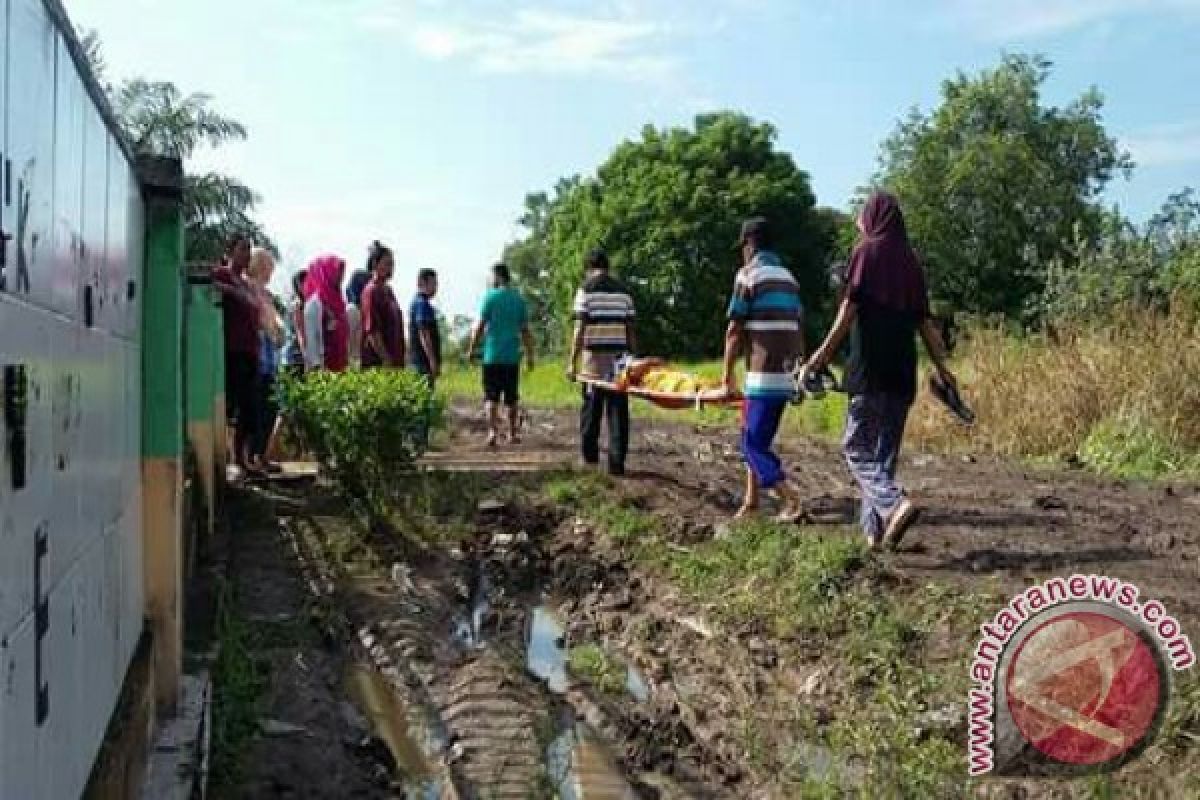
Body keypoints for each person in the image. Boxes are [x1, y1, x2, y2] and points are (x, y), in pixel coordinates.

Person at [804, 191, 958, 551]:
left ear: (874, 218)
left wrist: (820, 357)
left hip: (869, 371)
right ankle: (874, 535)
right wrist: (943, 369)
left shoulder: (866, 252)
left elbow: (847, 312)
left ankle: (894, 504)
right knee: (883, 455)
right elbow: (926, 325)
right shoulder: (912, 263)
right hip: (902, 374)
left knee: (855, 447)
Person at [721, 217, 806, 520]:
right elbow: (799, 325)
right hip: (789, 372)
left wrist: (727, 374)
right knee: (754, 434)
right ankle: (751, 501)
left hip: (762, 374)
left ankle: (790, 499)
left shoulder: (748, 275)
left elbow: (734, 328)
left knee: (750, 444)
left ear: (748, 245)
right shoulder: (789, 278)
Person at [566, 249, 636, 476]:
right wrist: (634, 358)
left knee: (591, 411)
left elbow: (579, 330)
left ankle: (590, 459)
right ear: (608, 267)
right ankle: (617, 463)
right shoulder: (624, 292)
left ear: (589, 268)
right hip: (619, 361)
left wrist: (572, 362)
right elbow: (631, 330)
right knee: (618, 412)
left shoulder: (585, 291)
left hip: (593, 362)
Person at [466, 262, 535, 446]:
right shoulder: (518, 300)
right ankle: (512, 434)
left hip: (491, 356)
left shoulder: (490, 298)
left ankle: (492, 433)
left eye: (492, 276)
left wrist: (471, 349)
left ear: (497, 276)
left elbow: (479, 327)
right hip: (511, 357)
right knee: (512, 398)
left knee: (491, 397)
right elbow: (525, 331)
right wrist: (530, 355)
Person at [211, 233, 263, 480]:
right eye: (242, 249)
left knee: (250, 409)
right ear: (230, 251)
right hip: (234, 352)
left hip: (251, 351)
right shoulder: (223, 275)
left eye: (249, 250)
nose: (247, 254)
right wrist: (231, 290)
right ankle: (232, 459)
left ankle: (243, 457)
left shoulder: (248, 283)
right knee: (236, 406)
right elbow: (210, 286)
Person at [246, 247, 285, 473]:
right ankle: (250, 457)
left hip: (270, 357)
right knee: (256, 409)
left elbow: (276, 324)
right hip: (257, 355)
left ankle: (261, 455)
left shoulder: (267, 294)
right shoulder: (249, 288)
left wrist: (277, 331)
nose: (271, 270)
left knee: (270, 407)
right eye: (268, 265)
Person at [360, 241, 406, 368]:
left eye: (393, 264)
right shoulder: (371, 291)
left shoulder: (388, 291)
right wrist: (386, 359)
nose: (391, 268)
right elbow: (373, 332)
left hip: (395, 361)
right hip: (379, 364)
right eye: (388, 264)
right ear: (375, 264)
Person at [302, 254, 350, 372]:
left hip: (341, 365)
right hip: (324, 368)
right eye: (337, 271)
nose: (341, 277)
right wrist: (318, 369)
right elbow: (312, 339)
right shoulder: (315, 304)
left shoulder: (339, 301)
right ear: (325, 272)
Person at [409, 268, 441, 386]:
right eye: (432, 284)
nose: (435, 288)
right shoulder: (421, 303)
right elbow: (424, 334)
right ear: (421, 283)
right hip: (422, 363)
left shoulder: (420, 302)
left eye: (436, 284)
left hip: (420, 362)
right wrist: (432, 361)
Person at [282, 268, 309, 377]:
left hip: (297, 356)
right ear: (298, 285)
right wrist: (306, 358)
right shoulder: (297, 305)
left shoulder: (305, 304)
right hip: (296, 357)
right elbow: (300, 334)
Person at [345, 268, 371, 368]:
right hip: (352, 364)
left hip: (361, 363)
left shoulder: (363, 310)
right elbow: (347, 342)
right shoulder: (352, 310)